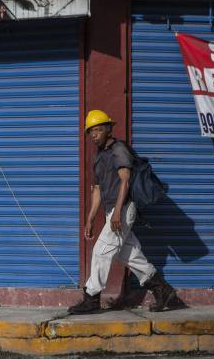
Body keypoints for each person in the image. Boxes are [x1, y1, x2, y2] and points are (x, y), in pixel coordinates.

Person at [68, 110, 176, 314]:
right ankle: (163, 290)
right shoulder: (99, 157)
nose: (94, 135)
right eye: (91, 132)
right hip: (113, 211)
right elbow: (98, 190)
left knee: (101, 252)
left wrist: (118, 212)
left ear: (109, 129)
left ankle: (91, 298)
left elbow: (125, 180)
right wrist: (90, 218)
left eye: (98, 130)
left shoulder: (119, 149)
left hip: (123, 209)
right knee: (130, 255)